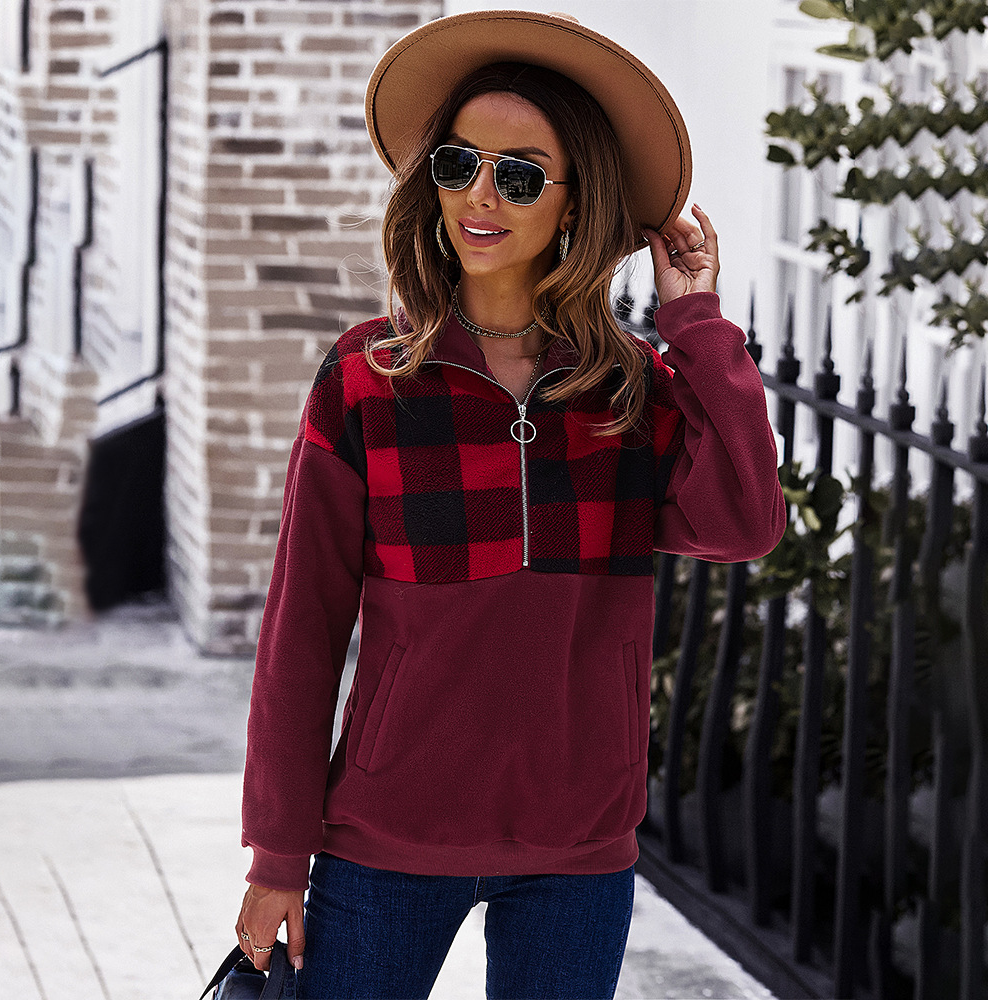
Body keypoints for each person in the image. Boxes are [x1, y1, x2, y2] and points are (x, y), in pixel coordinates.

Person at [235, 11, 785, 1000]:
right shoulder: (366, 381)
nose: (481, 196)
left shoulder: (630, 391)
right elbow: (300, 631)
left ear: (576, 205)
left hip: (577, 851)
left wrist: (696, 322)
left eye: (521, 175)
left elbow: (745, 523)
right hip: (385, 838)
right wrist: (277, 854)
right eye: (459, 165)